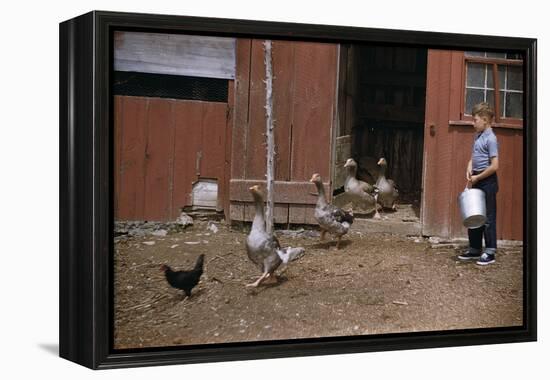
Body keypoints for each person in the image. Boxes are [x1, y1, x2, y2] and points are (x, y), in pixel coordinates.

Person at [458, 102, 499, 266]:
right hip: (476, 178)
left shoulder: (491, 139)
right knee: (474, 214)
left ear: (485, 120)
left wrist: (479, 177)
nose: (472, 123)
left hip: (487, 181)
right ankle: (475, 249)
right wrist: (470, 167)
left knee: (488, 217)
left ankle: (490, 251)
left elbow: (495, 166)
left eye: (475, 120)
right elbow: (474, 156)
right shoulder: (478, 136)